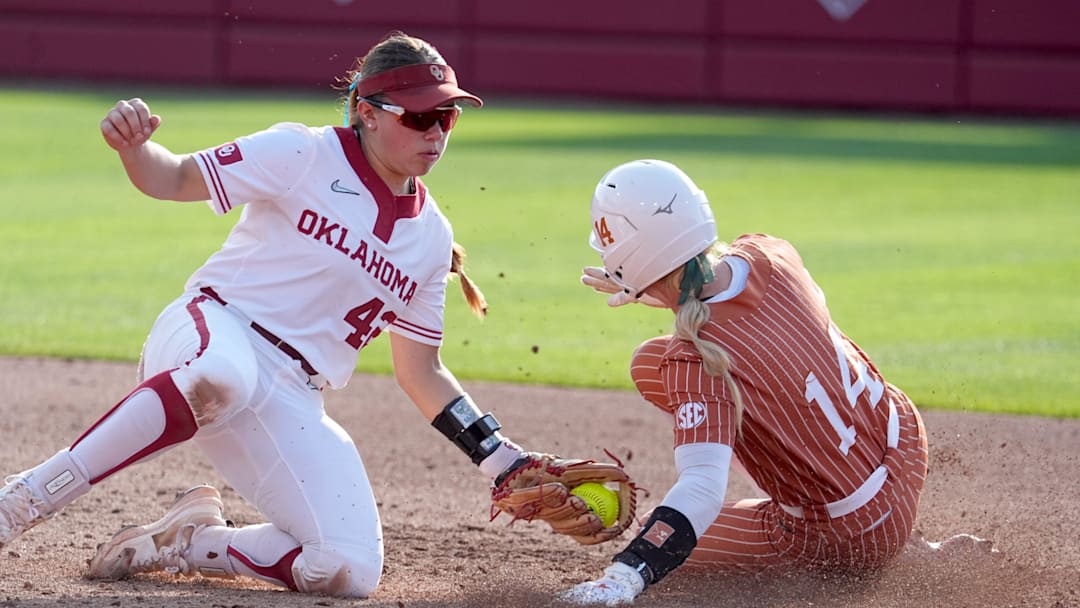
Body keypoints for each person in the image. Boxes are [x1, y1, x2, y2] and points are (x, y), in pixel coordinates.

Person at [0, 31, 540, 598]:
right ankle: (24, 499)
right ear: (367, 112)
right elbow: (177, 176)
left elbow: (421, 371)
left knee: (350, 570)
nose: (434, 132)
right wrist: (135, 150)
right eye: (418, 117)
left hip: (291, 393)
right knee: (223, 377)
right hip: (213, 330)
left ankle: (195, 543)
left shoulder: (431, 239)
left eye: (446, 117)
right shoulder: (303, 153)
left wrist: (500, 459)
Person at [561, 159, 930, 605]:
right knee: (650, 361)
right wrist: (655, 289)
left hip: (851, 537)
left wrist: (625, 576)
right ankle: (917, 545)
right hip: (904, 444)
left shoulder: (695, 361)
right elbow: (750, 323)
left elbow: (702, 489)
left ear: (625, 257)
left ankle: (906, 554)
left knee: (663, 539)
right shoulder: (770, 254)